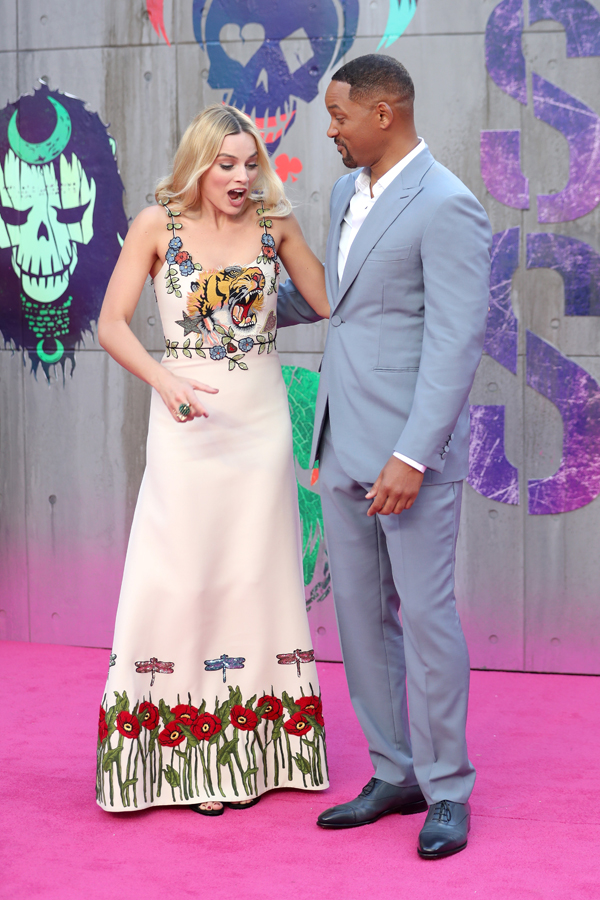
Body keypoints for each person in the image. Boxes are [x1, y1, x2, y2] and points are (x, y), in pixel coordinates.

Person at [277, 55, 492, 858]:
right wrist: (223, 296)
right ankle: (392, 771)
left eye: (338, 115)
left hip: (408, 455)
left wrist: (413, 454)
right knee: (361, 622)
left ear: (383, 113)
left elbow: (454, 342)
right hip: (340, 442)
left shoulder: (447, 204)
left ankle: (447, 787)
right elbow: (340, 304)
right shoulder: (343, 193)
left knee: (426, 621)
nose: (328, 129)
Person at [95, 104, 330, 815]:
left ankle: (260, 755)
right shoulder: (155, 226)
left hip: (260, 427)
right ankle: (177, 758)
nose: (239, 176)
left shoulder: (273, 225)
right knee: (179, 575)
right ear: (198, 164)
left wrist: (302, 231)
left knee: (254, 575)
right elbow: (110, 324)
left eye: (250, 164)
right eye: (225, 164)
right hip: (186, 429)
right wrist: (164, 380)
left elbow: (325, 300)